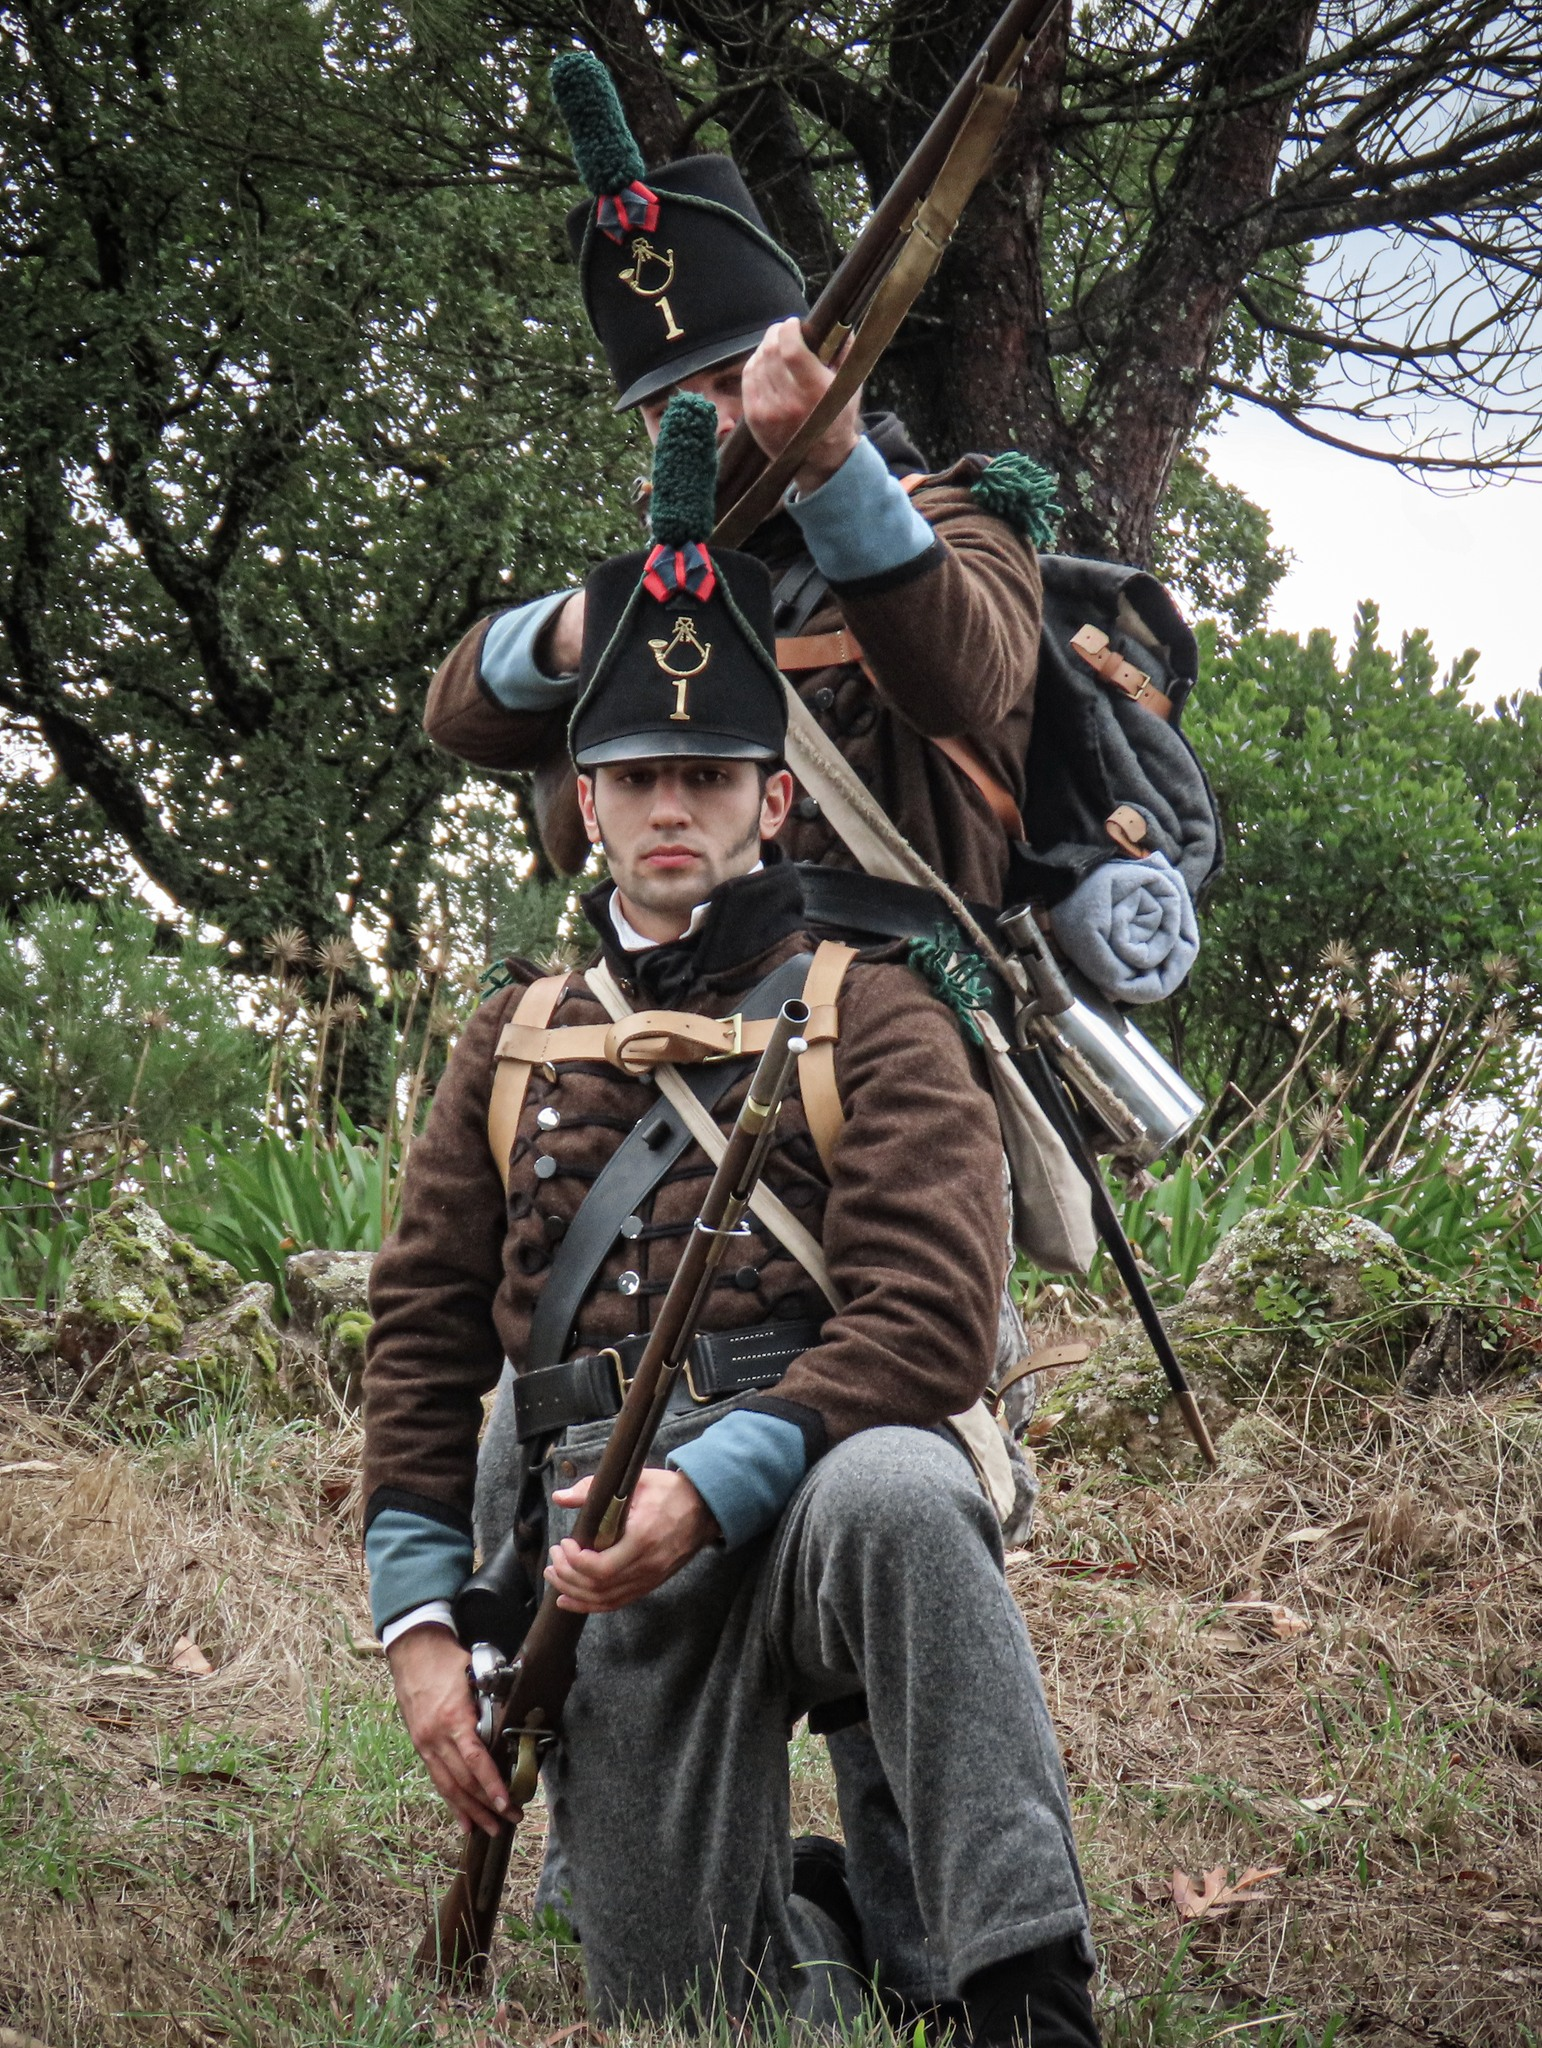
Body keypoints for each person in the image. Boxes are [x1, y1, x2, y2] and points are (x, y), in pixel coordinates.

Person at [362, 395, 1099, 2042]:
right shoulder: (510, 1035)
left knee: (912, 1496)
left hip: (818, 1468)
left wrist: (710, 1484)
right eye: (639, 779)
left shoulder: (878, 1005)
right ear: (588, 803)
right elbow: (420, 1333)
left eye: (708, 776)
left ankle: (1024, 1984)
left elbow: (926, 1315)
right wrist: (419, 1622)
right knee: (691, 2008)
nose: (672, 810)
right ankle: (824, 1924)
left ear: (772, 802)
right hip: (595, 1528)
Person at [422, 50, 1043, 908]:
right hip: (686, 974)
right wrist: (591, 622)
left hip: (899, 968)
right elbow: (460, 718)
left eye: (730, 381)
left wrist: (832, 465)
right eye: (668, 406)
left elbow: (961, 686)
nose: (707, 419)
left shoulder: (959, 519)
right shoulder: (665, 576)